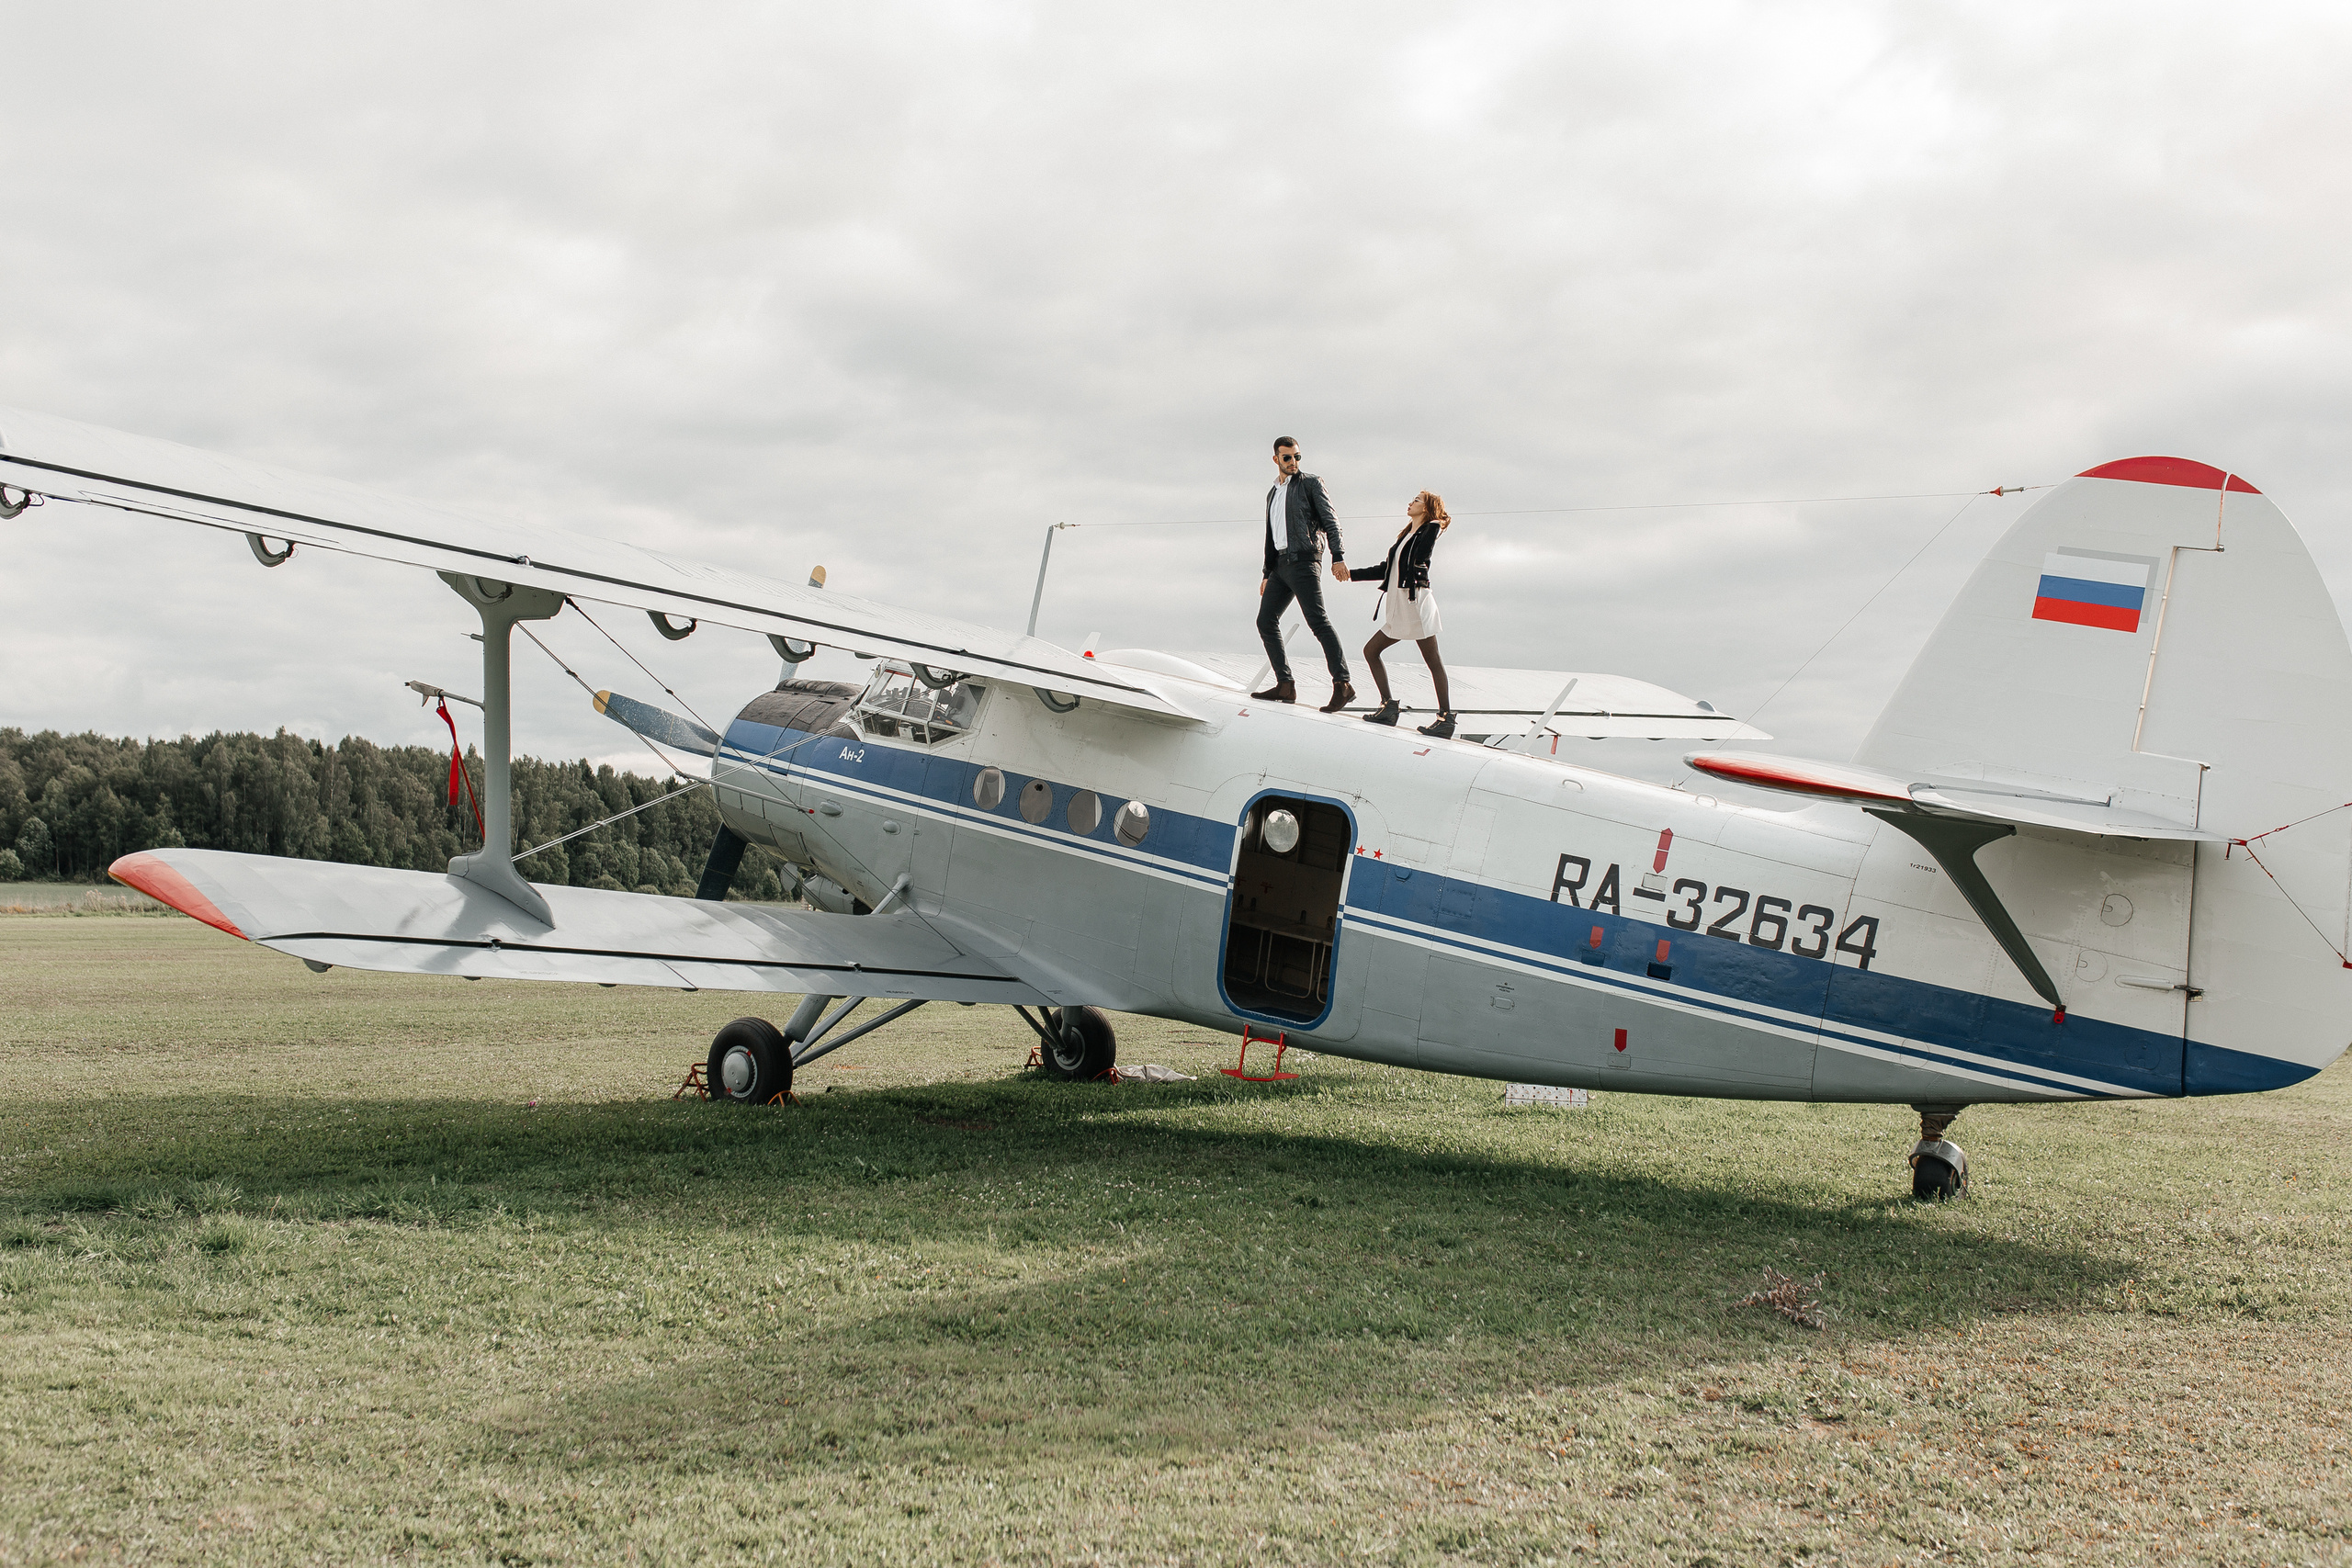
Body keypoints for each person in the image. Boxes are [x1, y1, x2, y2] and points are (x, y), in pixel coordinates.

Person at [1254, 436, 1355, 712]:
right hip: (1280, 566)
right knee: (1265, 621)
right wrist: (1267, 572)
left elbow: (1331, 522)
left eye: (1297, 457)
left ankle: (1343, 684)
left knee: (1318, 622)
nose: (1293, 462)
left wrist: (1338, 556)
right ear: (1276, 459)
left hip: (1305, 562)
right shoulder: (1273, 493)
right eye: (1287, 458)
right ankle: (1285, 685)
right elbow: (1271, 535)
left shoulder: (1311, 483)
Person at [1348, 490, 1457, 738]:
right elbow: (1387, 569)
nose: (1410, 502)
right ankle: (1388, 707)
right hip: (1399, 606)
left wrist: (1436, 523)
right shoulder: (1405, 536)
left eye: (1417, 500)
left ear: (1427, 508)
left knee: (1433, 660)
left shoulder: (1429, 529)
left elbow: (1423, 557)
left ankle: (1445, 718)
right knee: (1371, 651)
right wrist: (1352, 574)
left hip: (1415, 602)